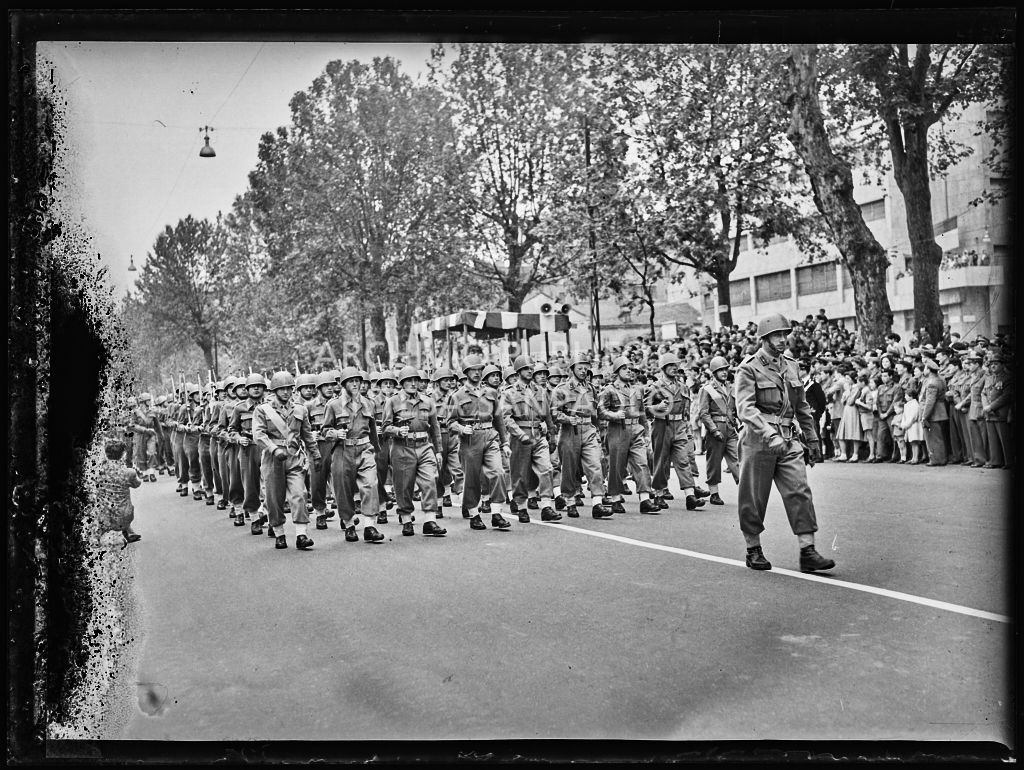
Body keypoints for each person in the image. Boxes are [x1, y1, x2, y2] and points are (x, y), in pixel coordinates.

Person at [734, 313, 832, 573]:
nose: (782, 340)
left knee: (799, 491)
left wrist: (812, 440)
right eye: (776, 335)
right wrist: (769, 434)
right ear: (764, 338)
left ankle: (807, 552)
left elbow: (802, 406)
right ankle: (753, 549)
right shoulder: (748, 367)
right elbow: (745, 409)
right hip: (758, 440)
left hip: (788, 439)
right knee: (753, 498)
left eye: (784, 334)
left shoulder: (791, 365)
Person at [252, 371, 322, 550]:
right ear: (274, 391)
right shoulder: (262, 410)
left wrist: (315, 454)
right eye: (281, 389)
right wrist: (274, 449)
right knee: (274, 498)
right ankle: (279, 532)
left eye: (288, 388)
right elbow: (258, 435)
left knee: (300, 494)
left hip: (294, 457)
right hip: (272, 458)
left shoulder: (300, 409)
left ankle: (301, 534)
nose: (285, 392)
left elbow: (306, 435)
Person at [446, 354, 513, 531]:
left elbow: (499, 419)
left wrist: (505, 443)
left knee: (498, 472)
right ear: (466, 372)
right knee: (471, 479)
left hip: (490, 436)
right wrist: (461, 429)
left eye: (479, 370)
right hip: (470, 440)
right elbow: (449, 421)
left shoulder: (491, 393)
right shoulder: (457, 396)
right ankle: (474, 514)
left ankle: (497, 513)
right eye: (472, 370)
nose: (476, 373)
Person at [323, 367, 388, 542]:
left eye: (357, 381)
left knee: (371, 483)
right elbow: (325, 431)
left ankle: (369, 525)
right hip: (343, 450)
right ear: (343, 384)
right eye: (351, 381)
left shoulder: (369, 403)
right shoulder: (333, 405)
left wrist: (376, 450)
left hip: (365, 448)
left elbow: (373, 430)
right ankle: (349, 524)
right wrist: (335, 434)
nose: (355, 384)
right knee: (343, 489)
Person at [382, 366, 447, 537]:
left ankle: (430, 520)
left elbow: (435, 428)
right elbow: (385, 427)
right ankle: (406, 519)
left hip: (425, 446)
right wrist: (396, 431)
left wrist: (439, 451)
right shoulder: (393, 401)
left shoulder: (427, 401)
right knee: (404, 485)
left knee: (430, 480)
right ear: (402, 383)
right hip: (402, 446)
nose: (412, 383)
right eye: (409, 380)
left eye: (415, 380)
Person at [551, 352, 614, 519]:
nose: (584, 371)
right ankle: (570, 501)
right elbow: (554, 413)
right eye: (580, 368)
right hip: (569, 431)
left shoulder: (591, 388)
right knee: (569, 469)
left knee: (595, 464)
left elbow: (596, 413)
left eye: (586, 368)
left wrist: (599, 431)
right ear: (572, 369)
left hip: (588, 429)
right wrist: (566, 419)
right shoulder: (562, 389)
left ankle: (597, 503)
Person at [501, 355, 562, 522]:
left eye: (531, 368)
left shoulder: (540, 391)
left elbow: (548, 415)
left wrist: (551, 436)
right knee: (520, 474)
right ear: (519, 371)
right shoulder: (510, 393)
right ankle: (521, 506)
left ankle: (546, 506)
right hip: (520, 436)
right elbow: (505, 418)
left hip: (538, 435)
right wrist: (520, 434)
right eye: (526, 369)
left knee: (547, 468)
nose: (530, 371)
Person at [597, 357, 660, 514]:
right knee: (617, 466)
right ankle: (616, 498)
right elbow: (600, 411)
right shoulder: (609, 390)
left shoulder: (638, 389)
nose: (629, 371)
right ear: (617, 371)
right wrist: (614, 415)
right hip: (617, 430)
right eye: (625, 368)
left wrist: (646, 432)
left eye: (631, 368)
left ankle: (645, 499)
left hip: (636, 429)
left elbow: (642, 412)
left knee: (642, 463)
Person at [645, 353, 706, 511]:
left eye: (675, 366)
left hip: (679, 426)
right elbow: (644, 410)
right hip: (661, 426)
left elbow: (686, 409)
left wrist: (686, 425)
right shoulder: (655, 387)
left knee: (683, 460)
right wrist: (656, 408)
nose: (674, 368)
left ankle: (690, 495)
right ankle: (658, 494)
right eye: (670, 366)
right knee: (660, 461)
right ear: (663, 368)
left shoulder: (682, 386)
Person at [696, 356, 740, 506]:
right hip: (716, 427)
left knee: (737, 459)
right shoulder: (706, 389)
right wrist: (714, 430)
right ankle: (714, 493)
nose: (724, 372)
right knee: (714, 462)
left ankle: (745, 490)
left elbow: (736, 409)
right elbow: (703, 412)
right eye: (720, 370)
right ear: (714, 372)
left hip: (730, 428)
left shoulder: (731, 388)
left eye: (725, 369)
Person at [228, 373, 269, 534]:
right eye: (253, 386)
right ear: (247, 389)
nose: (256, 389)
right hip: (248, 448)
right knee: (250, 484)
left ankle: (269, 515)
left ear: (264, 388)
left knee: (271, 483)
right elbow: (232, 430)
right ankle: (254, 517)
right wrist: (238, 439)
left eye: (259, 386)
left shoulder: (271, 405)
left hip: (267, 448)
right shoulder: (240, 408)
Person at [95, 439, 143, 545]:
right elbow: (137, 484)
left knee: (106, 503)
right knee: (122, 505)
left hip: (106, 518)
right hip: (125, 517)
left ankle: (97, 537)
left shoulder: (100, 472)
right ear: (123, 455)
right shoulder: (129, 472)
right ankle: (128, 531)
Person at [432, 367, 464, 513]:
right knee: (437, 471)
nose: (449, 383)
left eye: (450, 380)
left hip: (452, 435)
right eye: (445, 380)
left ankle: (462, 497)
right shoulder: (430, 399)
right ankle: (438, 504)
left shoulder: (455, 397)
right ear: (438, 382)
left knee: (458, 469)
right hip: (437, 437)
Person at [981, 351, 1012, 469]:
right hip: (989, 413)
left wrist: (991, 407)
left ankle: (1008, 462)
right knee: (992, 439)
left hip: (1000, 413)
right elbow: (983, 393)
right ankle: (995, 461)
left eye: (996, 363)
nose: (993, 366)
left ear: (1002, 365)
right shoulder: (989, 378)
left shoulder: (1007, 377)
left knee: (1004, 439)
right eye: (991, 364)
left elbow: (1006, 396)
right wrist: (985, 406)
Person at [919, 358, 949, 466]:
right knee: (938, 437)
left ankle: (936, 459)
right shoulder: (940, 379)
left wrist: (924, 416)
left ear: (929, 369)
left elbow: (930, 402)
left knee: (933, 438)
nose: (924, 370)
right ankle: (939, 458)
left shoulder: (932, 382)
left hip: (933, 413)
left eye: (925, 368)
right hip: (939, 412)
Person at [963, 352, 989, 467]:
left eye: (971, 364)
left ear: (978, 364)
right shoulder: (974, 376)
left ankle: (987, 459)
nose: (969, 366)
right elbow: (971, 394)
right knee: (975, 437)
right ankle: (978, 459)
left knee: (984, 437)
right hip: (973, 409)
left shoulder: (984, 375)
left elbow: (985, 394)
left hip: (980, 408)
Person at [835, 369, 862, 462]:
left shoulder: (856, 388)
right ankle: (843, 454)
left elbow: (850, 401)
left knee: (854, 433)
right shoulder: (848, 388)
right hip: (846, 410)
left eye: (848, 378)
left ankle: (855, 454)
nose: (846, 380)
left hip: (853, 410)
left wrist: (848, 391)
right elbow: (842, 401)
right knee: (841, 433)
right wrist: (846, 393)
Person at [901, 381, 925, 464]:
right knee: (912, 443)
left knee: (915, 442)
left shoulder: (915, 404)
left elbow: (913, 417)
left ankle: (916, 458)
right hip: (909, 426)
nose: (905, 396)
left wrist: (906, 424)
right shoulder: (907, 404)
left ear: (911, 396)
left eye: (906, 395)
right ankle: (913, 458)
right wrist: (904, 424)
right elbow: (905, 416)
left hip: (914, 426)